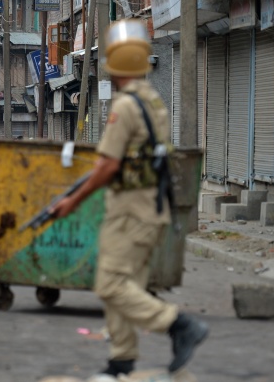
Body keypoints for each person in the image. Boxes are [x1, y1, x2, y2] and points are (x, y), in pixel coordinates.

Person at [49, 20, 208, 377]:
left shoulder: (126, 107)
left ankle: (179, 324)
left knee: (110, 284)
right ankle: (121, 361)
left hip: (131, 211)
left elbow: (107, 166)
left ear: (114, 64)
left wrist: (72, 202)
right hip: (150, 208)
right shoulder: (151, 100)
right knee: (124, 284)